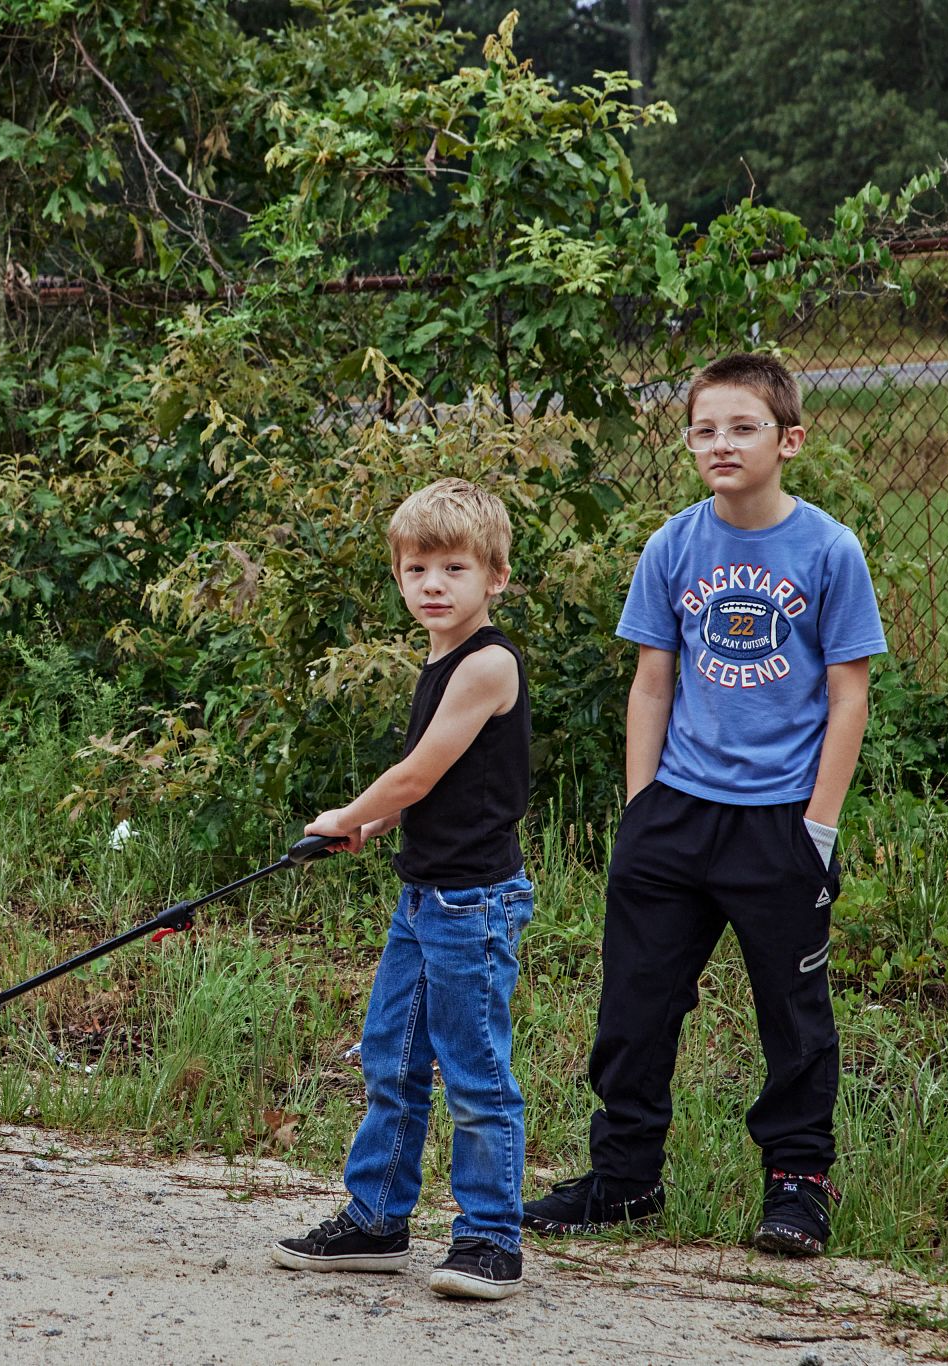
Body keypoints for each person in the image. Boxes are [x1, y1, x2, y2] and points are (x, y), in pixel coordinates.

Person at [522, 353, 887, 1256]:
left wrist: (818, 827)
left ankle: (797, 1185)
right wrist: (641, 808)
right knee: (635, 1007)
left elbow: (848, 697)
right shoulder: (673, 546)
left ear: (789, 440)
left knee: (793, 1018)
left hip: (780, 822)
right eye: (703, 429)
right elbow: (653, 682)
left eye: (742, 427)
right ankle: (625, 1178)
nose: (721, 444)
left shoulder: (829, 550)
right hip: (676, 816)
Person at [270, 477, 535, 1301]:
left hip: (472, 905)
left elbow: (416, 773)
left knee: (476, 1074)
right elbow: (438, 781)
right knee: (392, 1059)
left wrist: (349, 812)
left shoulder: (487, 663)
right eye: (416, 569)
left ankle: (491, 1239)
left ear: (496, 576)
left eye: (454, 568)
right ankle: (377, 1220)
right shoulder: (440, 659)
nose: (433, 585)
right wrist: (377, 825)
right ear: (398, 576)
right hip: (424, 899)